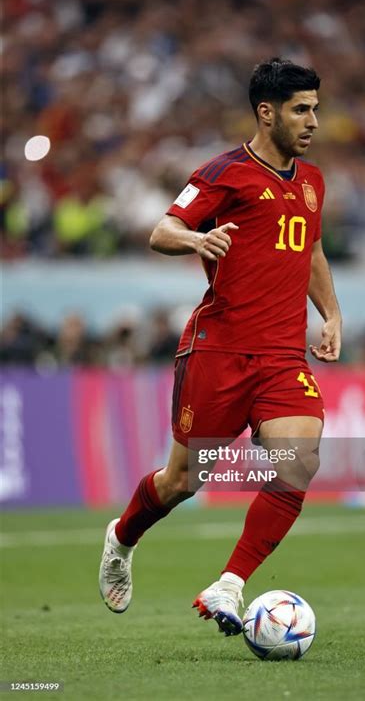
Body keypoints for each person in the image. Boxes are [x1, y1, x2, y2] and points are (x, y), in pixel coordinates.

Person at [99, 58, 342, 635]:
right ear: (267, 112)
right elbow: (162, 231)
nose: (312, 121)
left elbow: (310, 253)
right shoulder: (222, 172)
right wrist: (197, 238)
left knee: (298, 463)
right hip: (218, 351)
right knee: (183, 481)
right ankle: (121, 536)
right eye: (300, 109)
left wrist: (330, 314)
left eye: (315, 109)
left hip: (283, 357)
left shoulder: (312, 183)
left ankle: (229, 583)